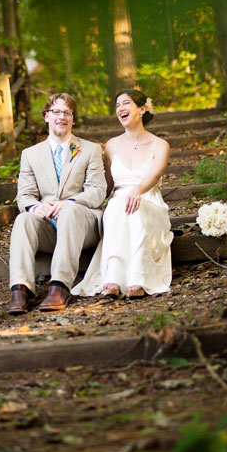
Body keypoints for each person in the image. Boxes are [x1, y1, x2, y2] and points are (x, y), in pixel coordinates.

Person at [7, 93, 107, 315]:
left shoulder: (90, 150)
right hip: (49, 226)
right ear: (46, 116)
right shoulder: (30, 155)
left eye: (67, 113)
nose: (61, 117)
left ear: (73, 119)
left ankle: (59, 287)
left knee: (70, 211)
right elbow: (25, 195)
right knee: (24, 218)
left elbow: (98, 191)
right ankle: (20, 289)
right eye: (56, 112)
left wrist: (70, 202)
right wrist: (35, 207)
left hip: (83, 223)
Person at [72, 89, 173, 298]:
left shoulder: (161, 145)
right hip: (119, 204)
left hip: (149, 201)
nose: (120, 109)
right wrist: (85, 202)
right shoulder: (111, 145)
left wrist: (137, 190)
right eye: (117, 105)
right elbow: (106, 184)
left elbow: (154, 175)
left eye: (126, 103)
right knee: (118, 205)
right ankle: (113, 279)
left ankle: (138, 278)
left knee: (134, 206)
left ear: (142, 109)